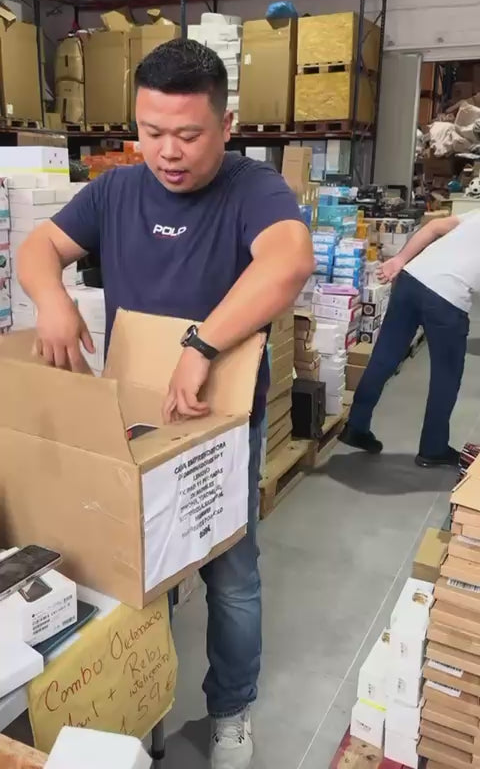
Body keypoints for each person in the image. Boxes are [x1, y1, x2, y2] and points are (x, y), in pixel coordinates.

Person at [17, 38, 314, 769]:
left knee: (231, 575)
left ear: (226, 124)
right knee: (133, 568)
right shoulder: (117, 191)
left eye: (188, 134)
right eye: (152, 132)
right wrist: (52, 299)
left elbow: (289, 262)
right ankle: (139, 697)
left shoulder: (253, 190)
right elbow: (38, 249)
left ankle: (231, 709)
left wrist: (201, 343)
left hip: (218, 424)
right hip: (135, 417)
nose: (168, 152)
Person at [340, 211, 480, 468]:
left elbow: (434, 226)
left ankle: (356, 426)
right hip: (447, 297)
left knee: (384, 356)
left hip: (412, 279)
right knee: (446, 375)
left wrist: (400, 259)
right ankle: (433, 448)